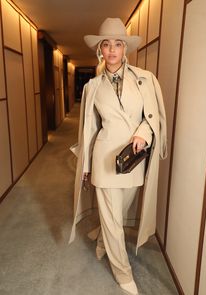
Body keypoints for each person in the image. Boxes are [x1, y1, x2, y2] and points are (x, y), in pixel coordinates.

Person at [69, 18, 167, 295]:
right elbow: (88, 130)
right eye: (106, 44)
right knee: (113, 220)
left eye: (118, 44)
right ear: (100, 49)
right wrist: (86, 166)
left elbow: (153, 118)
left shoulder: (145, 79)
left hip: (133, 160)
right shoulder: (92, 87)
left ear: (125, 49)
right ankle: (123, 272)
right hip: (104, 159)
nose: (112, 49)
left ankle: (102, 243)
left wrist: (142, 135)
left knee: (120, 213)